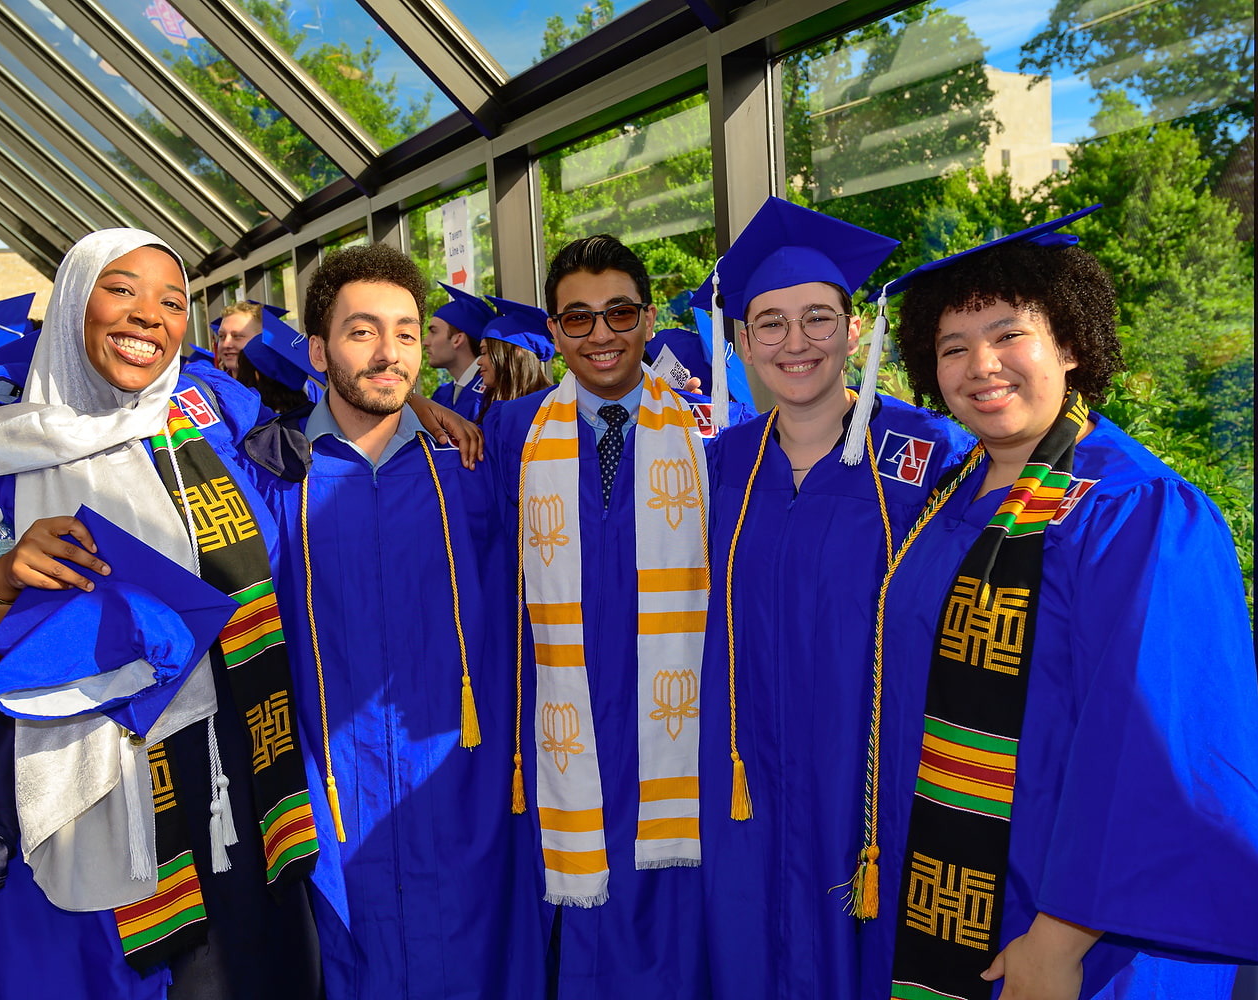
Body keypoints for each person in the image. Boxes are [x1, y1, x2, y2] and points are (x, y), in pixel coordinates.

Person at [0, 229, 324, 999]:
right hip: (85, 802)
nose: (150, 316)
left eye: (173, 301)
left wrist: (416, 402)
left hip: (238, 786)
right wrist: (3, 580)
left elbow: (321, 444)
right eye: (122, 291)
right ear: (75, 304)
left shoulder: (205, 427)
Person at [857, 207, 1258, 999]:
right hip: (944, 890)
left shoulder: (1137, 511)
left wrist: (1059, 940)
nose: (982, 364)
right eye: (953, 347)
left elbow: (1157, 754)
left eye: (1010, 334)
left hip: (1076, 926)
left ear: (1071, 344)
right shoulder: (948, 496)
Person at [689, 197, 974, 1000]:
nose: (796, 342)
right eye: (770, 323)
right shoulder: (720, 465)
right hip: (750, 781)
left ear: (855, 331)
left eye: (819, 317)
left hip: (871, 776)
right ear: (742, 342)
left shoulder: (927, 456)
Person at [243, 243, 541, 999]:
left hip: (462, 791)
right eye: (362, 331)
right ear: (317, 351)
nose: (390, 352)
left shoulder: (473, 469)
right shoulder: (271, 480)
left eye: (408, 333)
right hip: (333, 794)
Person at [484, 234, 711, 999]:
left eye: (618, 312)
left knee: (674, 923)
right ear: (553, 332)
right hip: (564, 724)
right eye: (576, 318)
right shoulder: (513, 431)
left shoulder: (711, 432)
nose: (600, 334)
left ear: (648, 318)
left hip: (672, 725)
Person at [475, 295, 554, 423]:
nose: (479, 361)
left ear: (516, 352)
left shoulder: (548, 408)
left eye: (485, 352)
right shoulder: (490, 406)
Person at [426, 283, 493, 421]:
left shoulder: (491, 391)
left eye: (433, 331)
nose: (425, 341)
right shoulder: (442, 394)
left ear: (457, 339)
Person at [214, 300, 264, 377]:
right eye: (221, 336)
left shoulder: (278, 388)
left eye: (237, 336)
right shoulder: (211, 386)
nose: (226, 344)